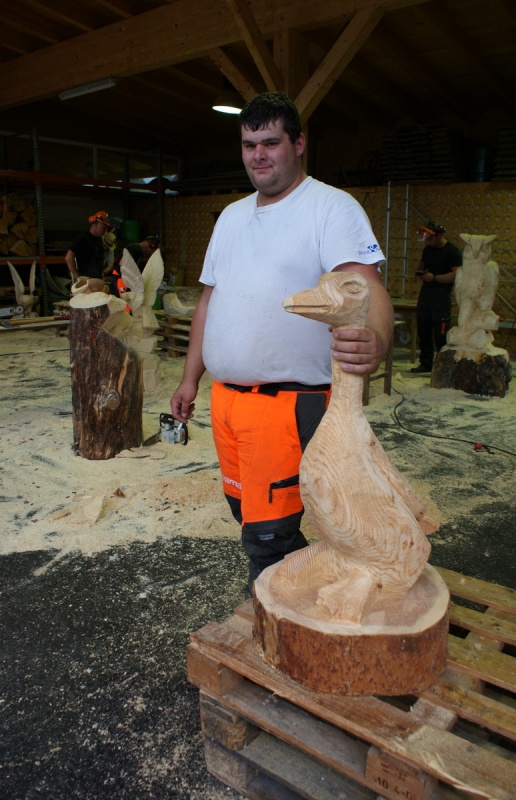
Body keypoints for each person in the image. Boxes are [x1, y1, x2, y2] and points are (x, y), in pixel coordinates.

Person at [170, 91, 393, 591]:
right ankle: (310, 585)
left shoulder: (329, 207)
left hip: (287, 402)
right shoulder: (231, 216)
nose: (259, 155)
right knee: (245, 510)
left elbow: (366, 285)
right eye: (249, 145)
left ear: (299, 144)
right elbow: (209, 301)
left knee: (267, 533)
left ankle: (278, 620)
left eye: (271, 143)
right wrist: (189, 378)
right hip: (228, 401)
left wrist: (377, 338)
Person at [410, 221, 462, 374]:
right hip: (426, 293)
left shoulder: (452, 251)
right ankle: (426, 363)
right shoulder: (428, 249)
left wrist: (434, 278)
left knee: (441, 333)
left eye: (430, 238)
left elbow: (456, 275)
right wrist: (419, 272)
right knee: (423, 329)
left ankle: (443, 366)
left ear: (439, 235)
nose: (428, 241)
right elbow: (422, 264)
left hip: (442, 295)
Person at [65, 211, 115, 282]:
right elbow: (68, 257)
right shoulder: (83, 238)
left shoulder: (100, 240)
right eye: (103, 227)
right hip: (85, 280)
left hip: (97, 279)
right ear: (95, 224)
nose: (105, 230)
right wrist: (78, 277)